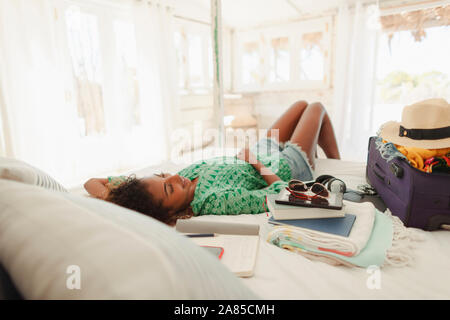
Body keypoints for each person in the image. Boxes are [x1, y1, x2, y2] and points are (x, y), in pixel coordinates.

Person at [84, 100, 340, 225]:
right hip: (285, 164)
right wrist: (255, 163)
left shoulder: (149, 192)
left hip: (262, 149)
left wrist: (118, 206)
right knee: (316, 108)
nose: (174, 178)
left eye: (163, 176)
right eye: (170, 189)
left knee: (301, 105)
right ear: (172, 214)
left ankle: (330, 159)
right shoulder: (215, 200)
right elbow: (281, 193)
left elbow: (91, 183)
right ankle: (336, 164)